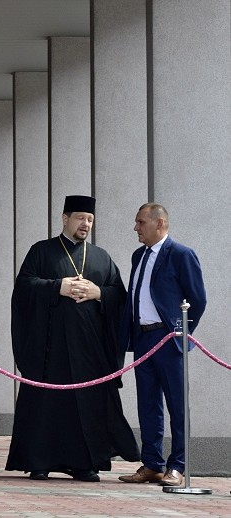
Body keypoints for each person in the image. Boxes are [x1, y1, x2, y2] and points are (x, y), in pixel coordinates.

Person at [6, 195, 139, 481]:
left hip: (89, 351)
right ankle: (39, 461)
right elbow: (24, 289)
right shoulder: (41, 252)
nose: (86, 224)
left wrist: (99, 293)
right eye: (80, 218)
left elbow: (120, 295)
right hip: (49, 348)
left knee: (86, 404)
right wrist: (58, 286)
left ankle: (83, 463)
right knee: (45, 403)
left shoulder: (101, 257)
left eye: (90, 220)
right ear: (65, 219)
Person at [118, 203, 207, 488]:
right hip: (143, 338)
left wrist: (181, 334)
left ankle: (178, 465)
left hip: (168, 340)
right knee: (148, 403)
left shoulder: (181, 255)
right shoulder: (138, 256)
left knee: (177, 404)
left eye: (141, 222)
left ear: (160, 224)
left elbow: (198, 299)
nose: (136, 228)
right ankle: (152, 464)